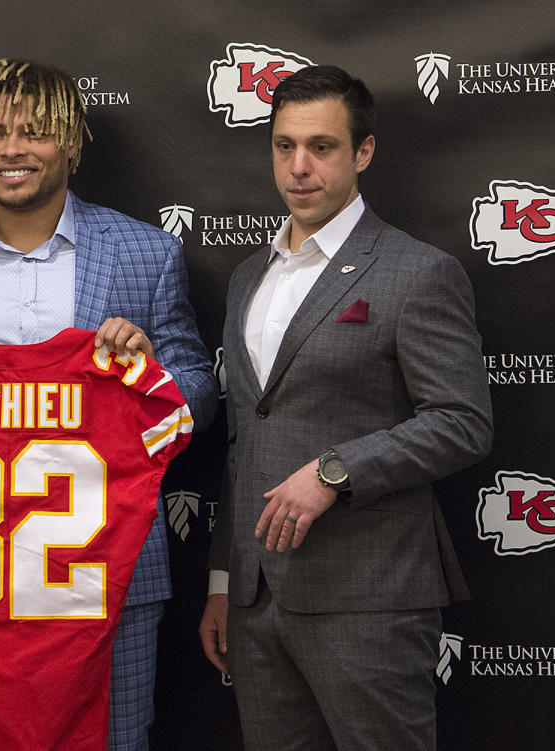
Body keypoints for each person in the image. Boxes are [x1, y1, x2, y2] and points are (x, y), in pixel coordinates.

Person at [0, 58, 218, 750]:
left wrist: (149, 375)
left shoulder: (144, 254)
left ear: (72, 142)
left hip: (102, 571)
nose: (12, 150)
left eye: (36, 133)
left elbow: (198, 390)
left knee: (115, 739)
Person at [199, 65, 493, 750]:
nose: (299, 167)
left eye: (322, 147)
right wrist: (223, 578)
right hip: (255, 599)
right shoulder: (249, 277)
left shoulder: (417, 272)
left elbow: (463, 421)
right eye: (283, 146)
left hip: (370, 598)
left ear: (362, 152)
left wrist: (335, 470)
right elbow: (247, 438)